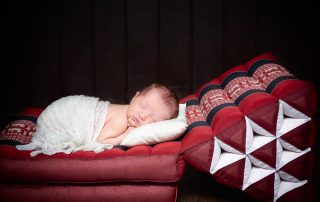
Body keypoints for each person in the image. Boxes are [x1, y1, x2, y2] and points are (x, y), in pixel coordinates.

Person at [16, 83, 179, 156]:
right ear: (135, 97)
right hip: (62, 115)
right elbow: (101, 141)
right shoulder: (121, 120)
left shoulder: (129, 114)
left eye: (151, 118)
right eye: (143, 105)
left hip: (61, 106)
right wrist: (124, 136)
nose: (142, 115)